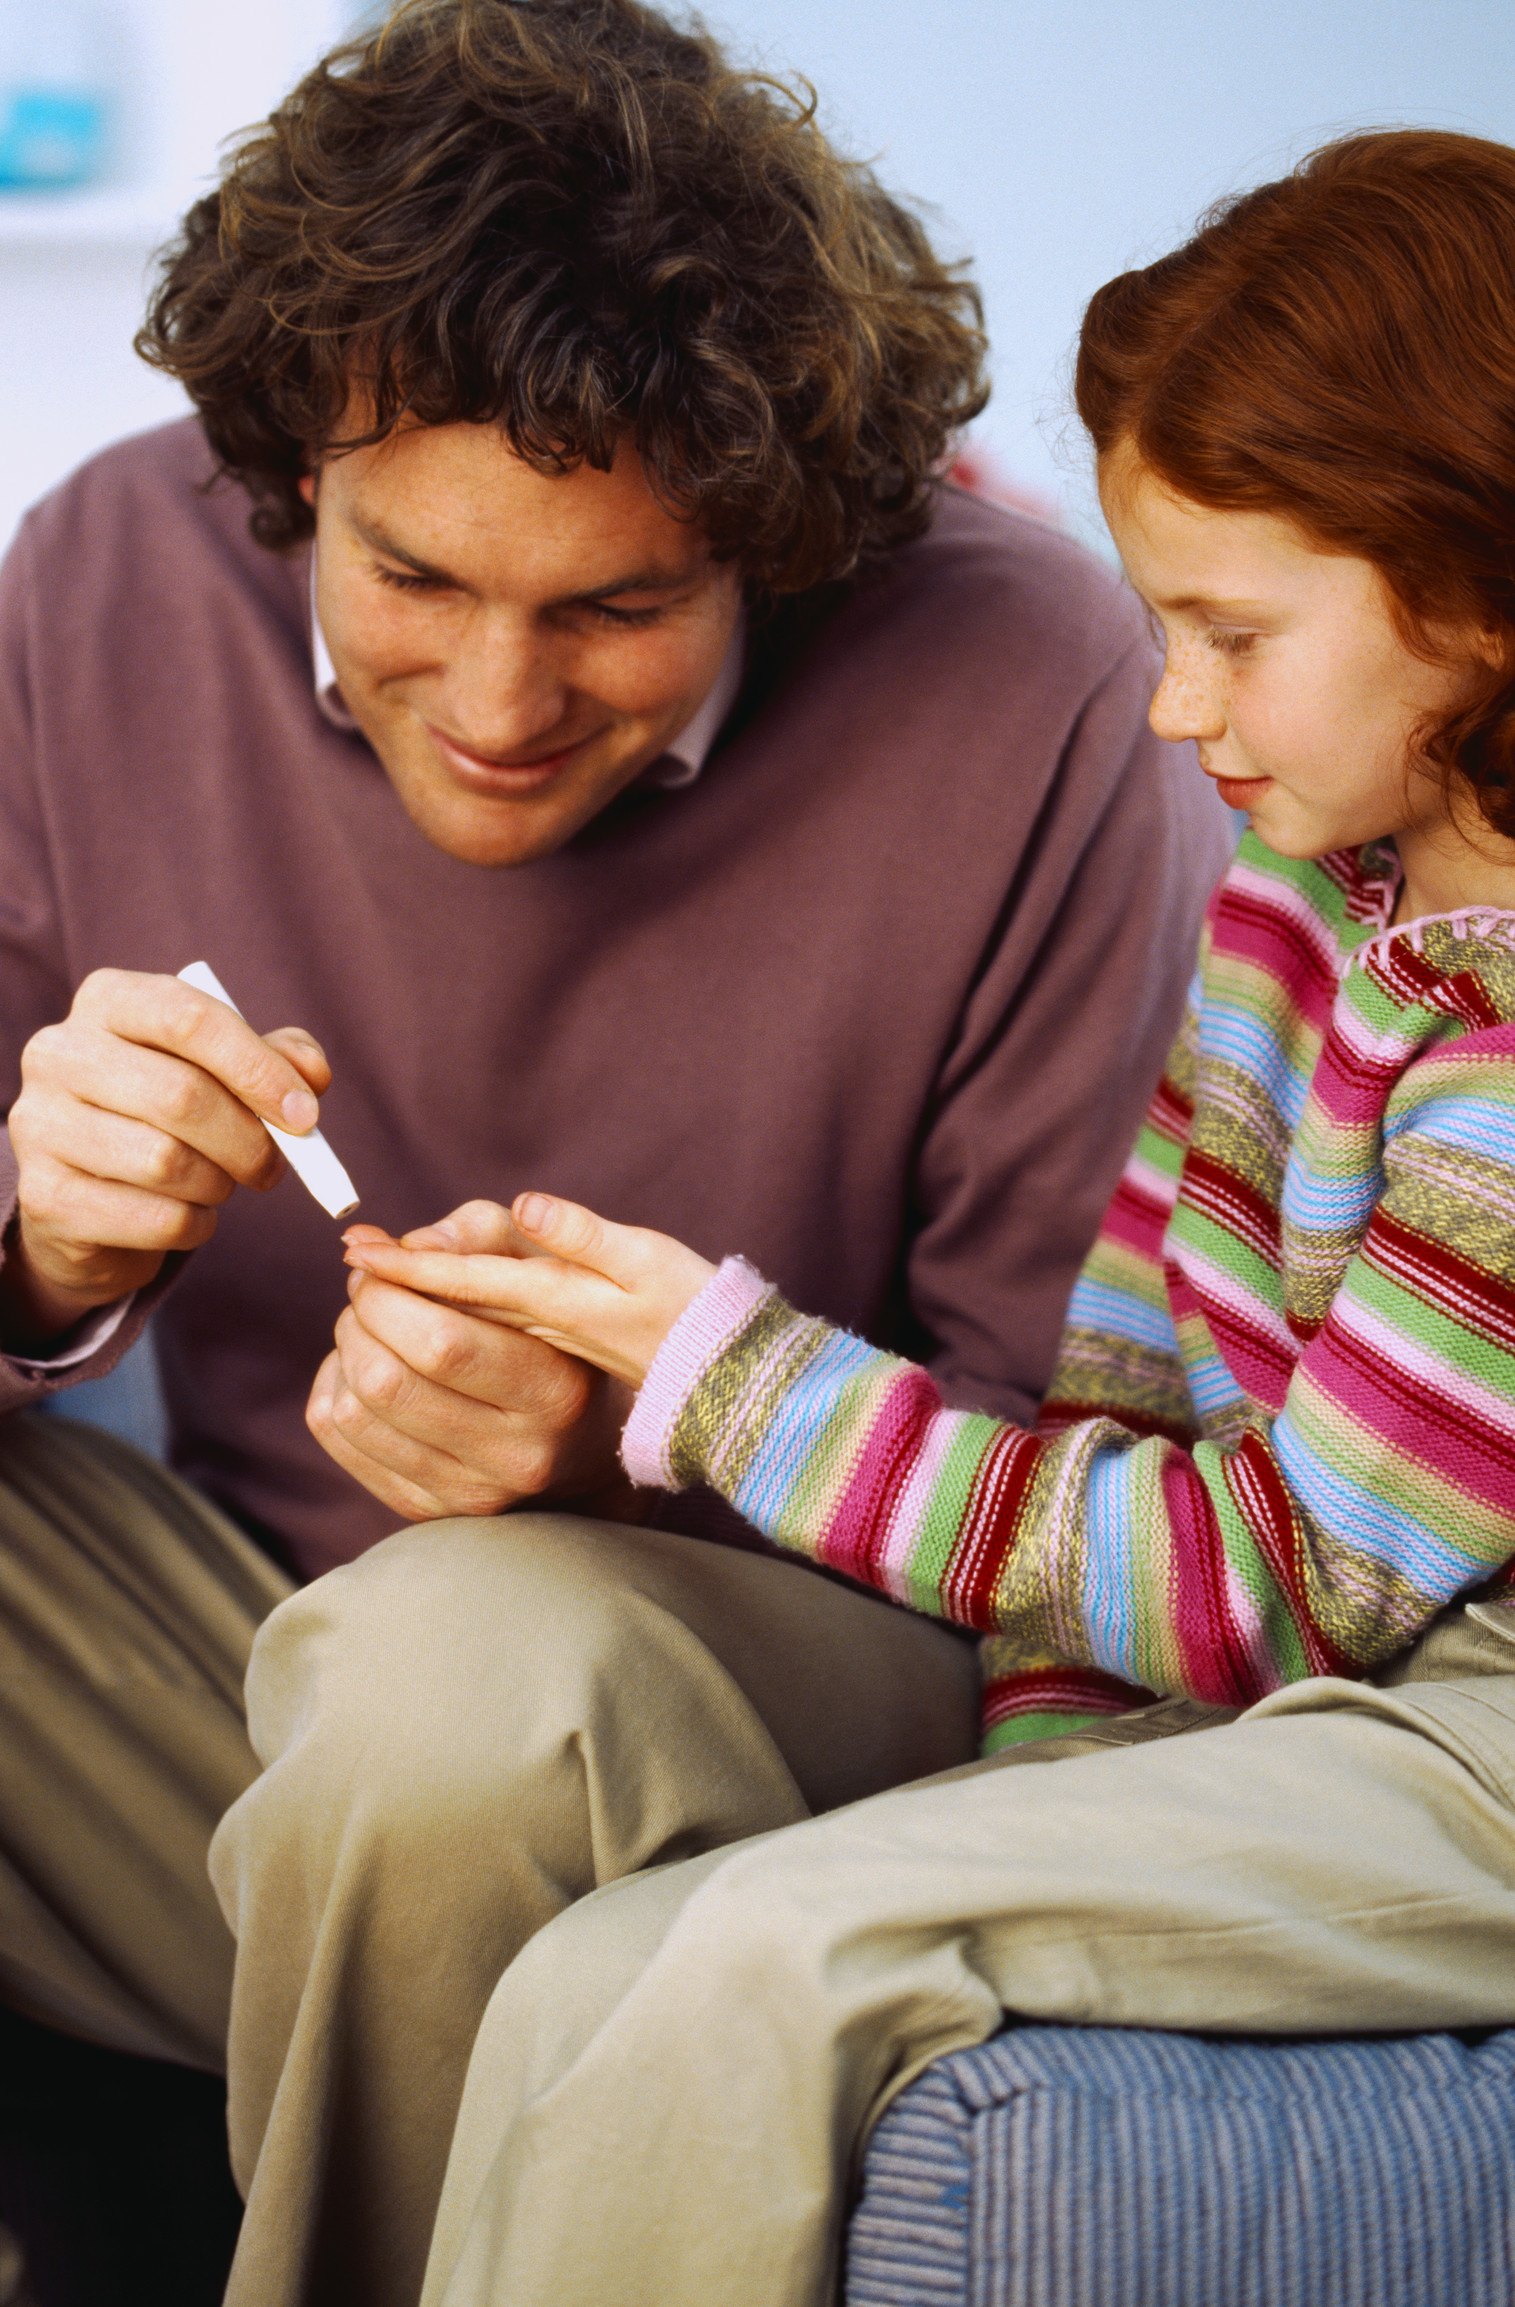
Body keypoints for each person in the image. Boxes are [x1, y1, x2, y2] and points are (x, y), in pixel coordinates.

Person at [0, 0, 1227, 2299]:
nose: (490, 705)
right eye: (409, 581)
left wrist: (630, 1452)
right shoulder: (95, 579)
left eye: (616, 607)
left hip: (758, 1703)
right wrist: (38, 1249)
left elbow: (1100, 1501)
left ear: (772, 541)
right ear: (281, 475)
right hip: (258, 1696)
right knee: (394, 1687)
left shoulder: (1040, 686)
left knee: (457, 1671)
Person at [325, 129, 1515, 2307]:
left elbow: (1288, 1572)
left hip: (1471, 1741)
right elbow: (1128, 1388)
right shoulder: (1288, 895)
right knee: (597, 1957)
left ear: (1471, 595)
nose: (1172, 706)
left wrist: (720, 1376)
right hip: (1310, 1708)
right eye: (1162, 627)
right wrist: (1034, 1787)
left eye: (1230, 634)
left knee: (748, 1958)